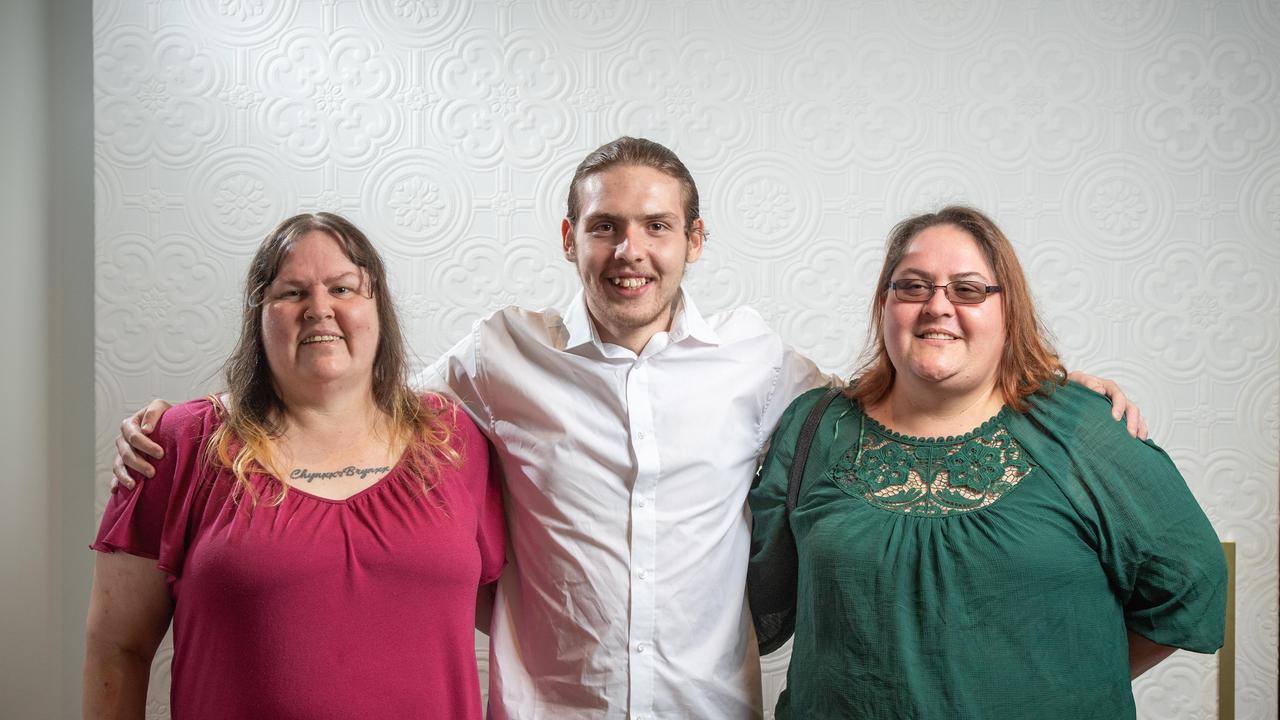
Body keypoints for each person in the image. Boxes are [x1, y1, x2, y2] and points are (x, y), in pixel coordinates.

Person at [109, 139, 1145, 719]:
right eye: (604, 225)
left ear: (694, 240)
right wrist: (184, 428)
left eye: (655, 225)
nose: (628, 249)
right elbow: (354, 408)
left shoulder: (758, 363)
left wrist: (1037, 386)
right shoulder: (496, 358)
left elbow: (901, 397)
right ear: (570, 238)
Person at [747, 206, 1226, 719]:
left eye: (968, 289)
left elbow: (1192, 582)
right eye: (913, 286)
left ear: (1009, 312)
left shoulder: (1082, 429)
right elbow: (753, 595)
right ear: (883, 303)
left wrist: (1069, 683)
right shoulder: (816, 427)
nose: (938, 306)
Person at [84, 213, 505, 719]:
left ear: (379, 309)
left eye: (343, 288)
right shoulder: (181, 444)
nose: (319, 309)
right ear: (258, 315)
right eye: (291, 293)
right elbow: (117, 649)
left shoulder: (454, 441)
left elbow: (523, 614)